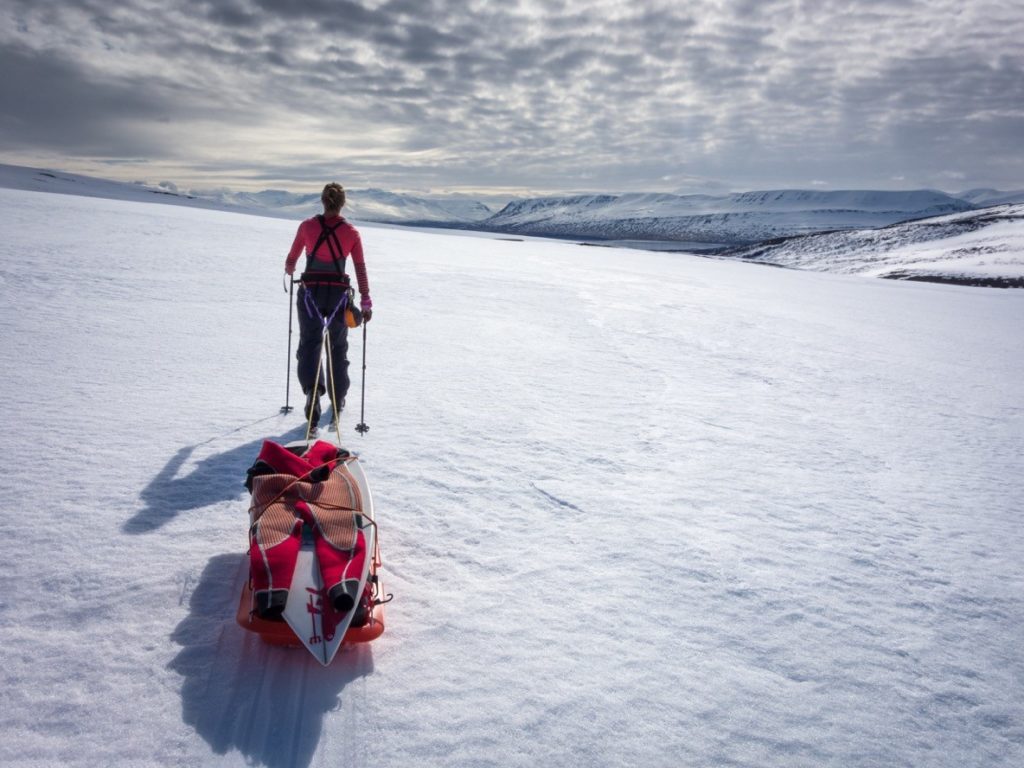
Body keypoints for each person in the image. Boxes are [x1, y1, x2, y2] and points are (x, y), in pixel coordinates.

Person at [285, 183, 372, 427]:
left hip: (310, 293)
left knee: (310, 343)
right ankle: (338, 397)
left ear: (323, 201)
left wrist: (290, 269)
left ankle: (313, 390)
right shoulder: (351, 233)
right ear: (342, 203)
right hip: (338, 297)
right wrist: (365, 300)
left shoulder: (307, 227)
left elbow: (292, 260)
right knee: (337, 346)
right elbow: (360, 268)